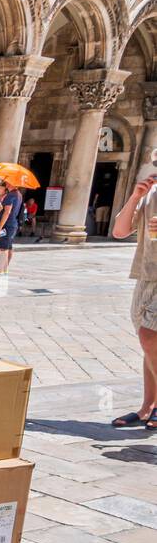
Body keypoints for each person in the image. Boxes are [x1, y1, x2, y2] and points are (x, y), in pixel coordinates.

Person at [109, 166, 157, 431]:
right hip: (146, 275)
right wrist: (135, 196)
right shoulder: (151, 193)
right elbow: (120, 230)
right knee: (149, 341)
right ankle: (148, 406)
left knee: (149, 337)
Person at [0, 181, 22, 276]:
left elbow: (7, 212)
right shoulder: (19, 194)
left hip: (6, 225)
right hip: (13, 224)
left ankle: (1, 269)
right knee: (9, 247)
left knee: (2, 248)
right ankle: (4, 267)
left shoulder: (10, 195)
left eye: (8, 182)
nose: (7, 183)